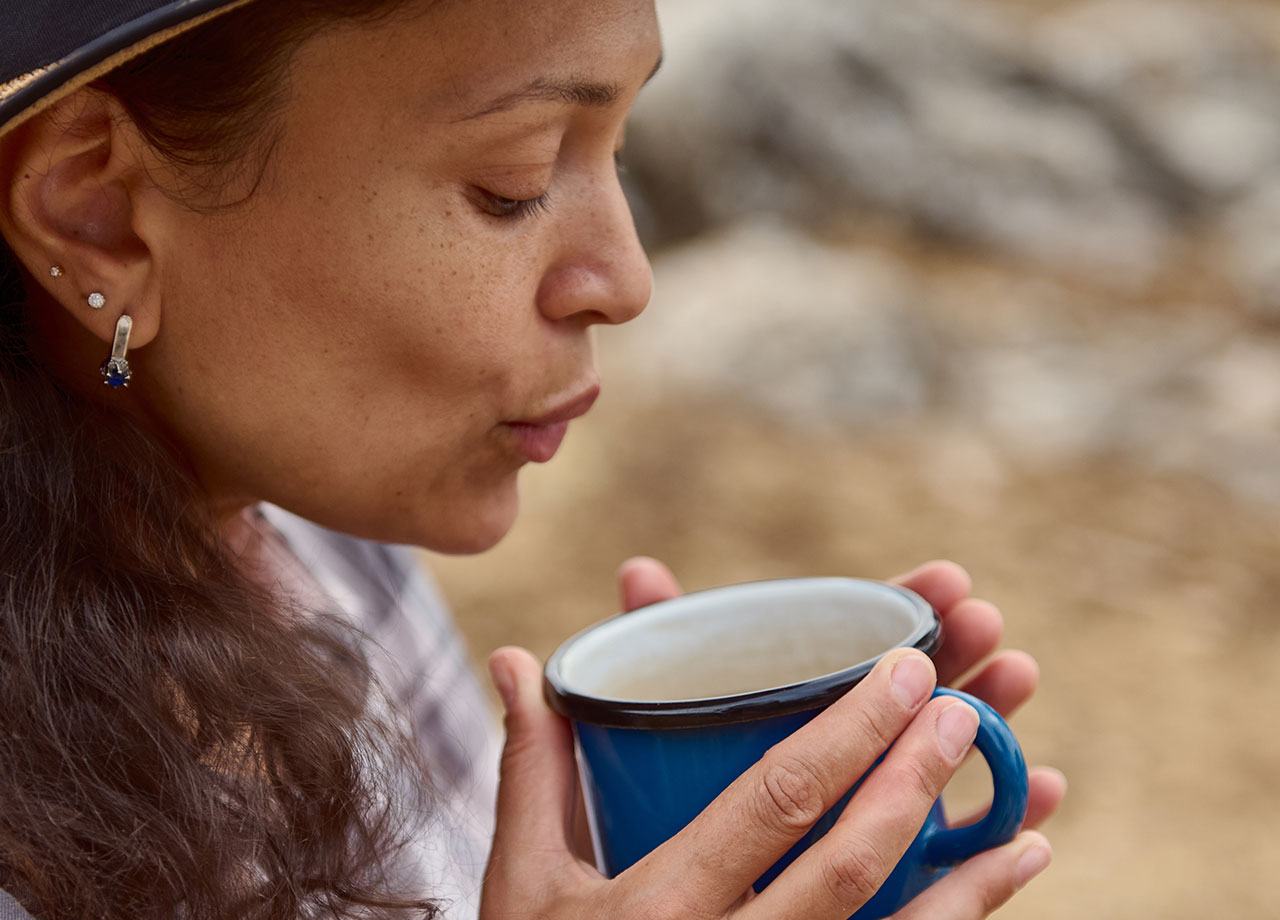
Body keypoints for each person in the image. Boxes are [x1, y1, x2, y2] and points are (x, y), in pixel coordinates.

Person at [0, 1, 1066, 918]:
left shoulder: (314, 549)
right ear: (96, 213)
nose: (626, 278)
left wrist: (642, 847)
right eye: (511, 184)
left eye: (618, 150)